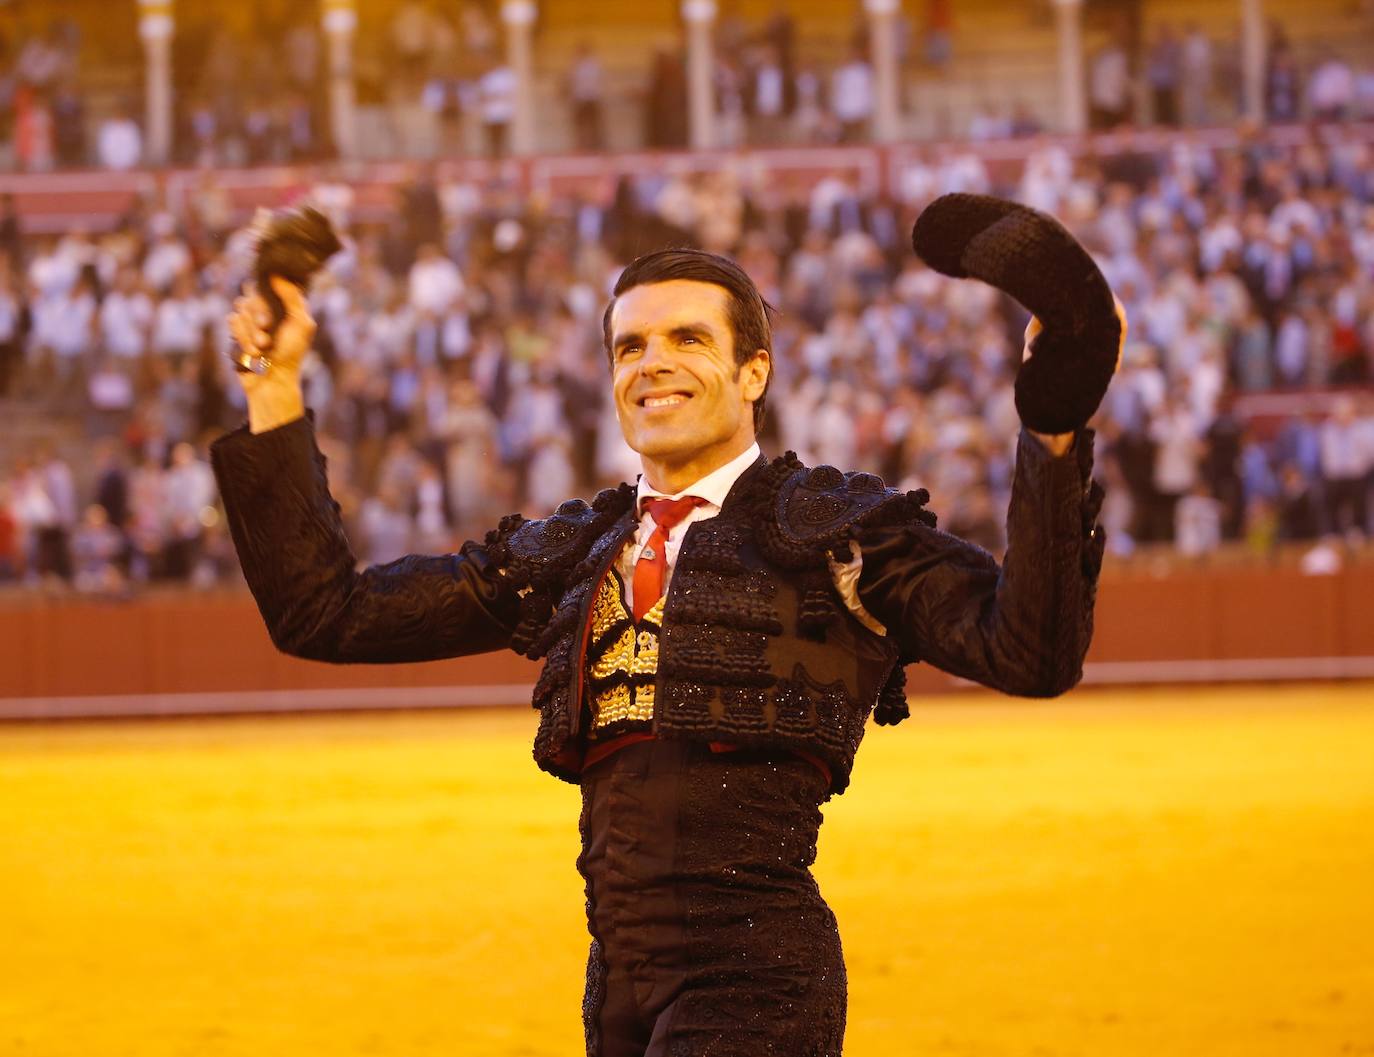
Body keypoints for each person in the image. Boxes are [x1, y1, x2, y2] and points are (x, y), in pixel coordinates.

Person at [211, 242, 1117, 1054]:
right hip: (617, 992)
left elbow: (1031, 651)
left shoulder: (835, 533)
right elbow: (327, 614)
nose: (654, 365)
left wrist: (1053, 428)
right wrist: (273, 383)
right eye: (631, 346)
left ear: (753, 370)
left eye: (687, 339)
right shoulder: (575, 549)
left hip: (757, 984)